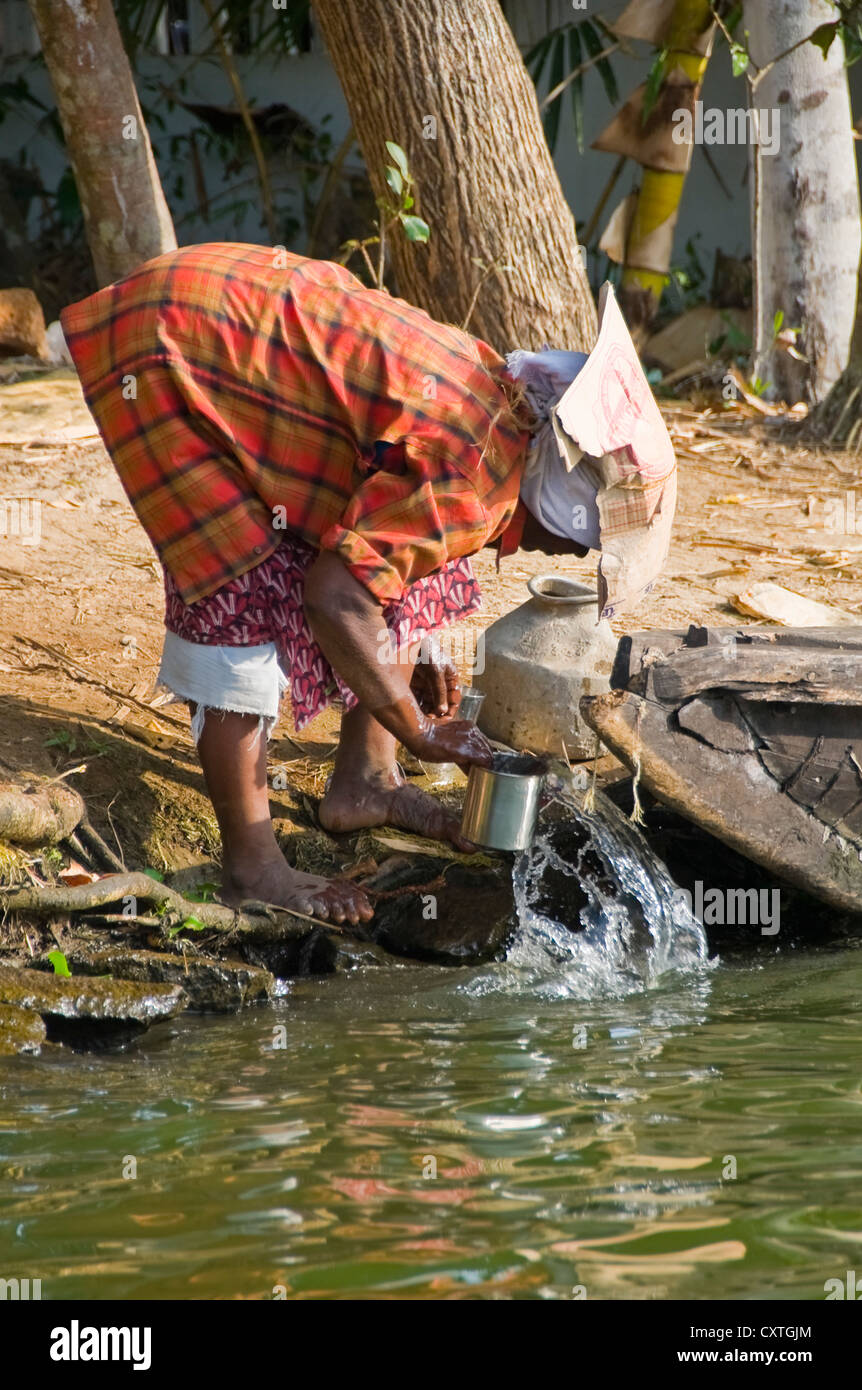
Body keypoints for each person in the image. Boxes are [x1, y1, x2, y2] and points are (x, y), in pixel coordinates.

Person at [61, 242, 668, 926]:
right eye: (580, 540)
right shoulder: (471, 474)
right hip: (173, 345)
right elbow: (335, 596)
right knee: (242, 591)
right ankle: (251, 867)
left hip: (231, 321)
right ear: (563, 506)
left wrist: (420, 647)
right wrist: (417, 730)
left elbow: (399, 529)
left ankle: (365, 783)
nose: (565, 551)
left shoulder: (501, 416)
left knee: (426, 571)